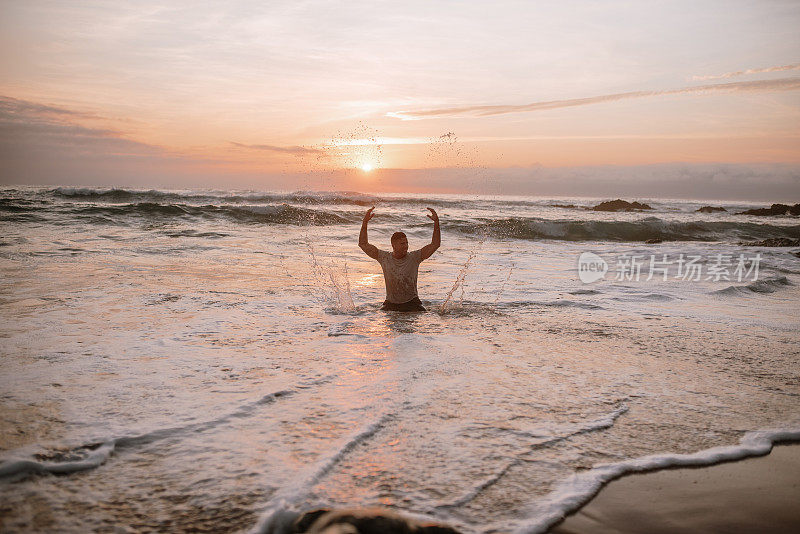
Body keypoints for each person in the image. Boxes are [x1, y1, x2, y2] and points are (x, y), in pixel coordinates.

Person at [359, 206, 440, 311]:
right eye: (402, 244)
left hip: (412, 303)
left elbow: (435, 244)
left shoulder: (415, 257)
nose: (406, 246)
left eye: (407, 243)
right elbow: (363, 244)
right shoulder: (384, 257)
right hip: (391, 304)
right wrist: (365, 222)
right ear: (393, 245)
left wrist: (436, 223)